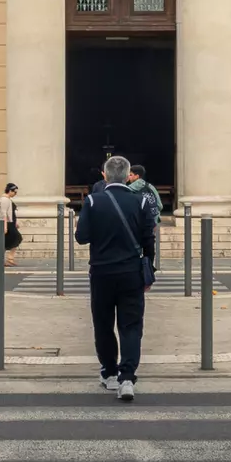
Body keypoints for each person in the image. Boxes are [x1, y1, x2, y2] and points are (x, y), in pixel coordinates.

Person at [75, 154, 155, 401]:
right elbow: (148, 240)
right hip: (131, 272)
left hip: (101, 271)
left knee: (103, 323)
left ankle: (109, 373)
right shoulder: (140, 202)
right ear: (128, 175)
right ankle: (127, 377)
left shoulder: (92, 201)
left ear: (105, 175)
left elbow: (82, 237)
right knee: (131, 325)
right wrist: (148, 269)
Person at [0, 181, 22, 265]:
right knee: (17, 238)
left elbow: (10, 212)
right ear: (10, 191)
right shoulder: (4, 200)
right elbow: (3, 213)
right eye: (15, 192)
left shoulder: (8, 199)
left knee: (8, 241)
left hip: (11, 223)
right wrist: (5, 226)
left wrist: (15, 222)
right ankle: (9, 258)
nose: (15, 194)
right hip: (8, 223)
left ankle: (8, 258)